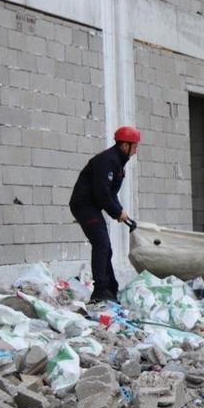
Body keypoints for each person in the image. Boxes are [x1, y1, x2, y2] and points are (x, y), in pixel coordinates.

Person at [69, 126, 140, 303]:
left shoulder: (117, 162)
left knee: (105, 247)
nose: (136, 150)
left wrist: (121, 212)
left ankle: (110, 288)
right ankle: (100, 292)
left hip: (92, 205)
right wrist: (117, 212)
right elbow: (102, 193)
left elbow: (110, 194)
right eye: (135, 146)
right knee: (102, 245)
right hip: (84, 205)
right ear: (125, 145)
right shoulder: (108, 161)